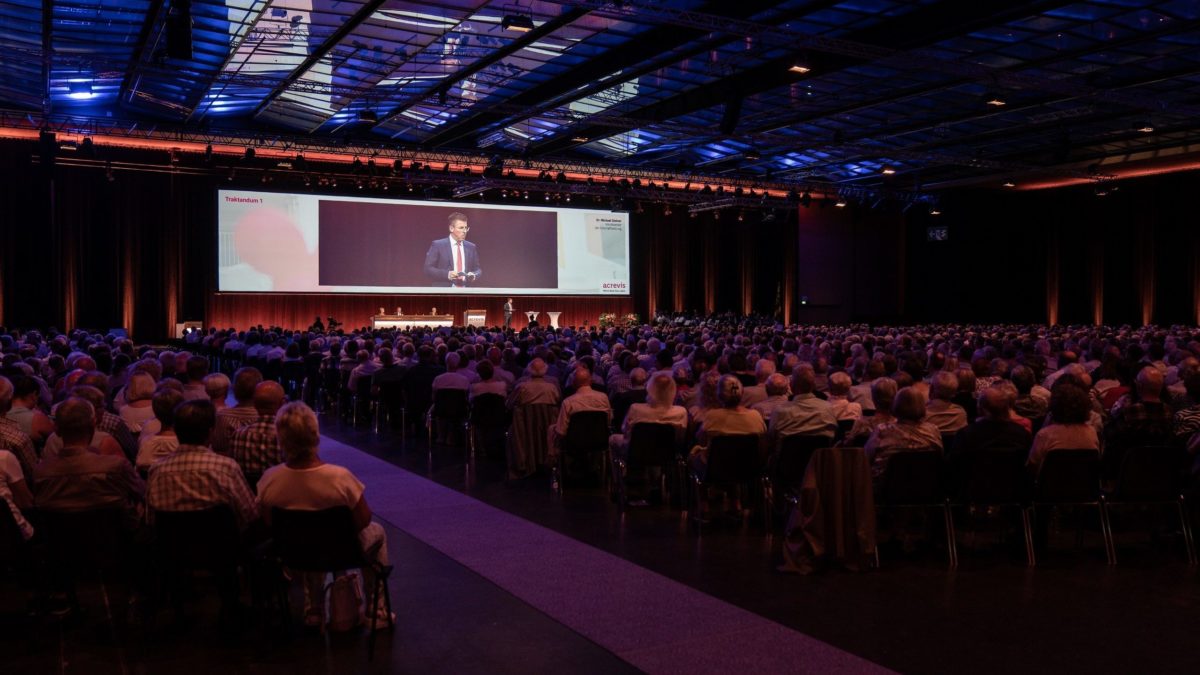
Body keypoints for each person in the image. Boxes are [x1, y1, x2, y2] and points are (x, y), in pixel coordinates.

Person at [257, 402, 392, 629]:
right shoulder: (340, 477)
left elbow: (268, 521)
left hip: (294, 551)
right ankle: (376, 610)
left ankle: (314, 610)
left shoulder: (270, 479)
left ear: (281, 438)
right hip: (343, 550)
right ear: (315, 435)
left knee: (308, 538)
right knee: (377, 531)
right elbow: (363, 520)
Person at [423, 211, 481, 287]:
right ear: (451, 228)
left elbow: (478, 269)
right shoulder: (438, 245)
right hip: (444, 292)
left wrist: (474, 275)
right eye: (461, 228)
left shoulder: (471, 247)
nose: (464, 231)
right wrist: (447, 274)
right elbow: (428, 269)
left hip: (465, 291)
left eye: (466, 228)